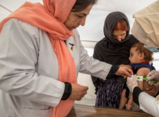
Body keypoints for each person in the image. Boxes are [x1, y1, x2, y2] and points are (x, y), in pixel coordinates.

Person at [0, 0, 134, 117]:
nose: (83, 23)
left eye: (86, 16)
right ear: (62, 6)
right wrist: (66, 90)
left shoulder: (70, 33)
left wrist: (115, 69)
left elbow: (83, 61)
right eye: (79, 16)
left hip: (64, 110)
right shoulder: (22, 26)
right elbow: (12, 77)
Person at [91, 11, 159, 108]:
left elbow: (147, 63)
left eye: (123, 34)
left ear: (127, 31)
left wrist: (156, 85)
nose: (119, 39)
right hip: (108, 96)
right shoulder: (101, 47)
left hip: (135, 92)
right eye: (114, 36)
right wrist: (114, 69)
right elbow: (95, 72)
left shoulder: (136, 41)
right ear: (108, 31)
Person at [119, 42, 154, 110]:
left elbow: (138, 90)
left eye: (131, 55)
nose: (129, 58)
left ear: (141, 56)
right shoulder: (146, 68)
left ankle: (121, 111)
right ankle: (120, 111)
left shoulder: (141, 70)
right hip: (138, 98)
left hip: (138, 102)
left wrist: (129, 103)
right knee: (124, 91)